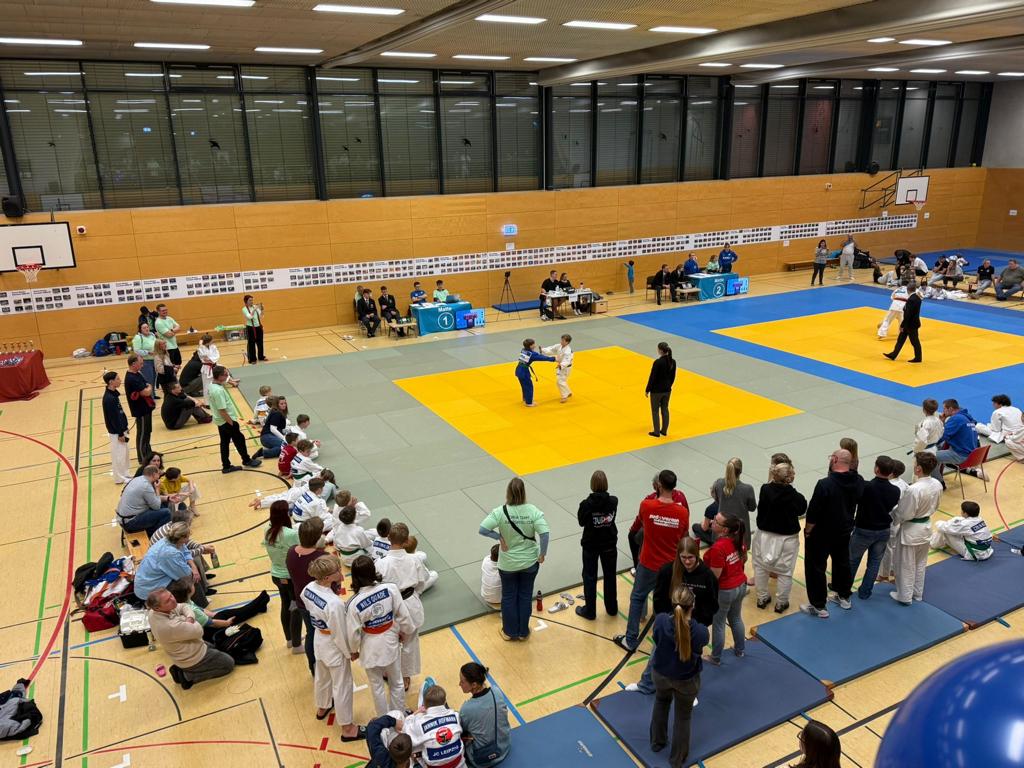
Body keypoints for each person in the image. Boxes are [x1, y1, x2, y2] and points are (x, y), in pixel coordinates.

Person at [628, 537, 717, 695]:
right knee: (656, 655)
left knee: (691, 662)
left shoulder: (707, 576)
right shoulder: (667, 571)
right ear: (678, 555)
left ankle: (689, 693)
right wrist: (666, 620)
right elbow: (659, 598)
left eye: (690, 557)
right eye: (683, 557)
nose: (687, 561)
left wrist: (697, 624)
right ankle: (646, 685)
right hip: (670, 623)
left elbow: (712, 604)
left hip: (693, 626)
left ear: (697, 555)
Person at [616, 470, 689, 652]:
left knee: (638, 597)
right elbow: (684, 539)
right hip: (670, 566)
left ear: (658, 485)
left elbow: (635, 530)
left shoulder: (646, 506)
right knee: (666, 603)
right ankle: (663, 641)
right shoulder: (682, 512)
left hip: (648, 563)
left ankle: (630, 639)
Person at [303, 555, 366, 741]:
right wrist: (350, 652)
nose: (340, 573)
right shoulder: (334, 603)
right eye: (337, 571)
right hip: (333, 644)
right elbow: (339, 633)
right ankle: (348, 728)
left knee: (322, 676)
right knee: (342, 685)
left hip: (319, 639)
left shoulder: (308, 589)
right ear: (327, 578)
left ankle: (322, 707)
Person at [478, 477, 550, 641]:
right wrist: (542, 554)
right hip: (529, 563)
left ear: (508, 493)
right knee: (525, 596)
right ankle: (523, 632)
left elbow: (482, 529)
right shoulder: (533, 511)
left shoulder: (500, 512)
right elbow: (545, 534)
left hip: (508, 565)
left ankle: (509, 632)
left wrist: (499, 537)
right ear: (524, 492)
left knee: (509, 597)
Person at [347, 555, 414, 715]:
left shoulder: (353, 603)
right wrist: (405, 631)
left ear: (354, 576)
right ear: (373, 570)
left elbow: (353, 633)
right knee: (397, 682)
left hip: (369, 646)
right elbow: (403, 615)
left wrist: (354, 650)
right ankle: (399, 716)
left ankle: (384, 719)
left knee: (376, 686)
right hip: (390, 640)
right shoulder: (390, 589)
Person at [800, 449, 862, 618]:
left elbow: (813, 511)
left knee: (816, 567)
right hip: (844, 531)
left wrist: (808, 530)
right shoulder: (858, 481)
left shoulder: (825, 484)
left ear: (834, 460)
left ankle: (818, 605)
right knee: (842, 562)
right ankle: (844, 596)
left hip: (822, 533)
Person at [648, 586, 706, 768]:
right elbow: (700, 646)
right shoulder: (700, 631)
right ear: (693, 605)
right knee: (683, 717)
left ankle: (657, 742)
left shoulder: (661, 621)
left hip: (661, 675)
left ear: (673, 604)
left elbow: (657, 640)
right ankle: (677, 759)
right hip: (686, 681)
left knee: (661, 702)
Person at [375, 522, 429, 690]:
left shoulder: (381, 563)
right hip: (410, 603)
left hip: (389, 606)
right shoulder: (414, 559)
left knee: (389, 641)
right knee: (410, 642)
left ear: (388, 538)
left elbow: (376, 587)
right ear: (406, 541)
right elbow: (421, 582)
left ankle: (388, 672)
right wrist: (414, 594)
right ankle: (405, 677)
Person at [146, 588, 234, 689]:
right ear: (157, 608)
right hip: (192, 658)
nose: (173, 600)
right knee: (228, 664)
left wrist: (189, 618)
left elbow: (184, 606)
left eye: (171, 596)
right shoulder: (168, 626)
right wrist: (185, 618)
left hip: (190, 647)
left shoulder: (155, 612)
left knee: (218, 648)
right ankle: (187, 676)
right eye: (167, 601)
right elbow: (199, 630)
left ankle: (186, 669)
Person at [752, 462, 806, 613]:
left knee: (761, 567)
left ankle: (762, 598)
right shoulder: (795, 496)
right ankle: (781, 603)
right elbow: (802, 509)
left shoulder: (765, 489)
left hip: (764, 536)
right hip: (786, 539)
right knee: (785, 572)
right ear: (790, 477)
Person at [848, 456, 902, 600]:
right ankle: (865, 592)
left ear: (876, 469)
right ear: (891, 472)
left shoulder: (866, 487)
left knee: (852, 560)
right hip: (884, 530)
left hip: (864, 530)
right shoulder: (895, 490)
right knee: (874, 563)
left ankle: (844, 591)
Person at [892, 452, 942, 605]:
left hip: (911, 530)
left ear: (918, 468)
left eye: (914, 464)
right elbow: (936, 505)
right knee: (920, 563)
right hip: (926, 527)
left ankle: (905, 596)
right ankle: (917, 593)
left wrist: (895, 515)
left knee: (906, 565)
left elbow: (905, 513)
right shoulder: (937, 484)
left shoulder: (914, 489)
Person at [166, 577, 268, 649]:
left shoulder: (184, 602)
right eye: (192, 585)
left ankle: (259, 605)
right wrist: (227, 623)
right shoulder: (191, 610)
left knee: (226, 614)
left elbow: (201, 610)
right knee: (232, 615)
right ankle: (260, 603)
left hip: (205, 626)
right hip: (207, 633)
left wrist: (215, 615)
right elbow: (211, 623)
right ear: (188, 591)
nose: (194, 584)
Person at [703, 514, 746, 665]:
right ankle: (740, 650)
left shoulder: (718, 548)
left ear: (725, 530)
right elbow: (743, 561)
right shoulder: (738, 540)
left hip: (726, 590)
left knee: (719, 623)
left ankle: (715, 657)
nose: (712, 521)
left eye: (716, 521)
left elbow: (714, 577)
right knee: (736, 618)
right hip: (740, 585)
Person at [262, 500, 304, 654]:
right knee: (296, 608)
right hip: (289, 577)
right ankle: (297, 646)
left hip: (276, 575)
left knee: (285, 605)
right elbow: (300, 551)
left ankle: (290, 640)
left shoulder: (267, 529)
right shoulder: (290, 534)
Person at [287, 518, 327, 675]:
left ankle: (314, 667)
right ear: (317, 537)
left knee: (311, 633)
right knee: (323, 635)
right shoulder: (322, 557)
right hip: (321, 604)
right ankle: (324, 667)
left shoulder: (291, 552)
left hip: (302, 601)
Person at [576, 470, 618, 620]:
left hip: (591, 545)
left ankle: (590, 611)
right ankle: (612, 608)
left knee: (589, 577)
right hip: (609, 544)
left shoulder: (586, 505)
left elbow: (581, 522)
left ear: (592, 485)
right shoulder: (614, 501)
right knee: (610, 575)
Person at [133, 522, 206, 606]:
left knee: (194, 566)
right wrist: (193, 573)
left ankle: (203, 596)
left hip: (153, 579)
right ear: (182, 537)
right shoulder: (170, 553)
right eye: (188, 536)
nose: (189, 539)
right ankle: (201, 606)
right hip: (149, 589)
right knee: (190, 580)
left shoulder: (171, 540)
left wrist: (194, 567)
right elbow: (185, 574)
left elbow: (185, 551)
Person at [693, 458, 756, 549]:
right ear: (740, 471)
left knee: (697, 528)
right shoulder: (748, 489)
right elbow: (752, 508)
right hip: (740, 533)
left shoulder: (718, 483)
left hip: (721, 530)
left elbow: (717, 500)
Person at [209, 365, 261, 474]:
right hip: (226, 421)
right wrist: (231, 423)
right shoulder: (218, 391)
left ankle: (226, 466)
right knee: (239, 440)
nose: (227, 376)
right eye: (225, 375)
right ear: (219, 376)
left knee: (224, 442)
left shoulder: (212, 385)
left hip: (221, 421)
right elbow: (222, 410)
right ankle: (246, 460)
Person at [458, 662, 511, 768]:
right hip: (504, 747)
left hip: (481, 760)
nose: (459, 684)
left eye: (462, 681)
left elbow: (460, 730)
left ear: (474, 685)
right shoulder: (496, 691)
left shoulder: (467, 709)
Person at [405, 685, 467, 768]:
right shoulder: (455, 715)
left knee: (416, 740)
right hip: (459, 763)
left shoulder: (419, 722)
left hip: (433, 766)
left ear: (425, 705)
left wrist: (416, 713)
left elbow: (405, 729)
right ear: (445, 703)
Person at [933, 398, 984, 482]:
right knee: (941, 447)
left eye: (944, 409)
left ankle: (938, 482)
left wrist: (929, 443)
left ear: (950, 409)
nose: (943, 411)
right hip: (973, 455)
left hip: (961, 455)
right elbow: (951, 432)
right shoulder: (967, 418)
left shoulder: (956, 419)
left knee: (929, 457)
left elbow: (943, 436)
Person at [117, 466, 171, 536]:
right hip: (130, 523)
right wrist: (157, 489)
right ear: (154, 474)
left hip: (123, 519)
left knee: (162, 506)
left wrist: (167, 498)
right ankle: (153, 535)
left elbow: (154, 499)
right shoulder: (146, 486)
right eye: (158, 474)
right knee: (167, 513)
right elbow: (157, 506)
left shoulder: (137, 479)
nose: (159, 476)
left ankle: (152, 530)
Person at [102, 371, 133, 485]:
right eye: (118, 379)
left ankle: (125, 473)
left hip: (121, 429)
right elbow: (113, 418)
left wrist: (125, 426)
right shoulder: (109, 399)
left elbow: (120, 413)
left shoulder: (114, 395)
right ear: (111, 382)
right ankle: (119, 477)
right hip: (116, 432)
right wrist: (120, 433)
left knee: (124, 453)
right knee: (118, 455)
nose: (120, 380)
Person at [124, 354, 155, 464]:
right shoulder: (131, 378)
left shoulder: (138, 374)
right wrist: (149, 388)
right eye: (140, 363)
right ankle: (142, 458)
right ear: (133, 364)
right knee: (142, 434)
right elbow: (147, 391)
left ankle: (148, 453)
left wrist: (148, 387)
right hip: (140, 410)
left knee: (147, 431)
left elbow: (148, 386)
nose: (142, 365)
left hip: (146, 407)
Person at [883, 281, 923, 363]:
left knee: (914, 341)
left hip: (910, 325)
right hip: (912, 323)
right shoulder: (917, 297)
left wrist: (902, 325)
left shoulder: (911, 299)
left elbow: (908, 314)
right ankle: (893, 354)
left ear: (907, 289)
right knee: (901, 339)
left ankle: (918, 358)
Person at [976, 394, 1024, 460]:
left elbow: (996, 429)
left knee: (978, 426)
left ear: (1000, 404)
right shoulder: (1016, 409)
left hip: (1009, 436)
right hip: (1020, 433)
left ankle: (1021, 457)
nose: (993, 405)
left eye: (994, 403)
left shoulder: (997, 412)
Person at [645, 341, 676, 438]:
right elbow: (673, 377)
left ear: (661, 351)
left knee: (655, 411)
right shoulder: (672, 361)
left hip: (656, 391)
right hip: (667, 390)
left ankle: (656, 431)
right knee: (665, 409)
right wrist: (668, 386)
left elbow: (652, 377)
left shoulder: (658, 362)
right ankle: (664, 430)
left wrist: (647, 389)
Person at [514, 339, 555, 407]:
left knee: (524, 386)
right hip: (524, 372)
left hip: (519, 369)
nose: (535, 345)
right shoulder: (532, 354)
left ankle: (525, 398)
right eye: (533, 344)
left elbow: (536, 355)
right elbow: (542, 358)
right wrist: (554, 359)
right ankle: (529, 403)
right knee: (529, 386)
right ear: (530, 346)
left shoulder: (524, 350)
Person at [541, 334, 573, 403]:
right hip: (560, 365)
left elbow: (567, 361)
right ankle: (568, 392)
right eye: (561, 340)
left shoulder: (568, 351)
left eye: (563, 340)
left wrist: (561, 365)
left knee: (560, 381)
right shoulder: (559, 346)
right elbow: (551, 349)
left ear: (567, 342)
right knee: (561, 380)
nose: (561, 341)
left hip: (565, 367)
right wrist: (543, 350)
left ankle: (564, 396)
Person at [131, 321, 158, 393]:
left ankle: (153, 393)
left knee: (154, 378)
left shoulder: (152, 335)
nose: (146, 329)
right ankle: (149, 395)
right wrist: (148, 352)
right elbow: (136, 351)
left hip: (154, 360)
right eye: (144, 328)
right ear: (140, 329)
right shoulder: (138, 337)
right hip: (145, 362)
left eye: (147, 327)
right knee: (148, 379)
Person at [242, 294, 267, 363]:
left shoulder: (254, 307)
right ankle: (252, 359)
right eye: (250, 300)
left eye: (252, 300)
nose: (252, 302)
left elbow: (261, 316)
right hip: (250, 328)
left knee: (260, 342)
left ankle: (261, 357)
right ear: (246, 301)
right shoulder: (244, 309)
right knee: (251, 344)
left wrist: (262, 309)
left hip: (258, 327)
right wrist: (254, 310)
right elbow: (249, 317)